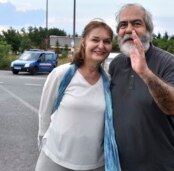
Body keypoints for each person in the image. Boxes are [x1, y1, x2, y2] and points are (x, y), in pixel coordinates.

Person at [109, 3, 174, 171]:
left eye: (136, 23)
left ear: (149, 30)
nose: (129, 29)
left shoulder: (168, 62)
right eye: (123, 25)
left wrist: (145, 73)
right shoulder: (115, 65)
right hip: (119, 166)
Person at [36, 19, 120, 171]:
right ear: (84, 42)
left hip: (94, 163)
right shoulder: (61, 74)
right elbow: (45, 113)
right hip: (55, 159)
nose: (101, 46)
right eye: (95, 40)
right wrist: (43, 140)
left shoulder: (108, 82)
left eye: (107, 41)